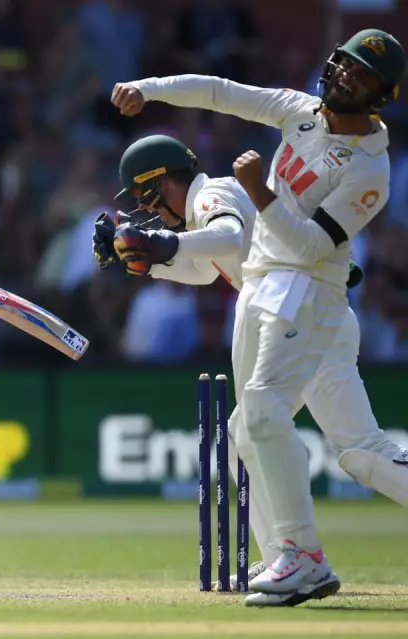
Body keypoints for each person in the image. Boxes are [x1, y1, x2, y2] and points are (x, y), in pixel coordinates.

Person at [107, 28, 406, 606]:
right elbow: (220, 91)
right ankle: (287, 557)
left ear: (380, 96)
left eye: (361, 75)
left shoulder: (371, 171)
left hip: (308, 293)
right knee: (353, 452)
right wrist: (149, 88)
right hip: (271, 292)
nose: (344, 77)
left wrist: (255, 191)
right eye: (343, 64)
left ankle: (302, 558)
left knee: (262, 416)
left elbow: (310, 248)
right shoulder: (302, 113)